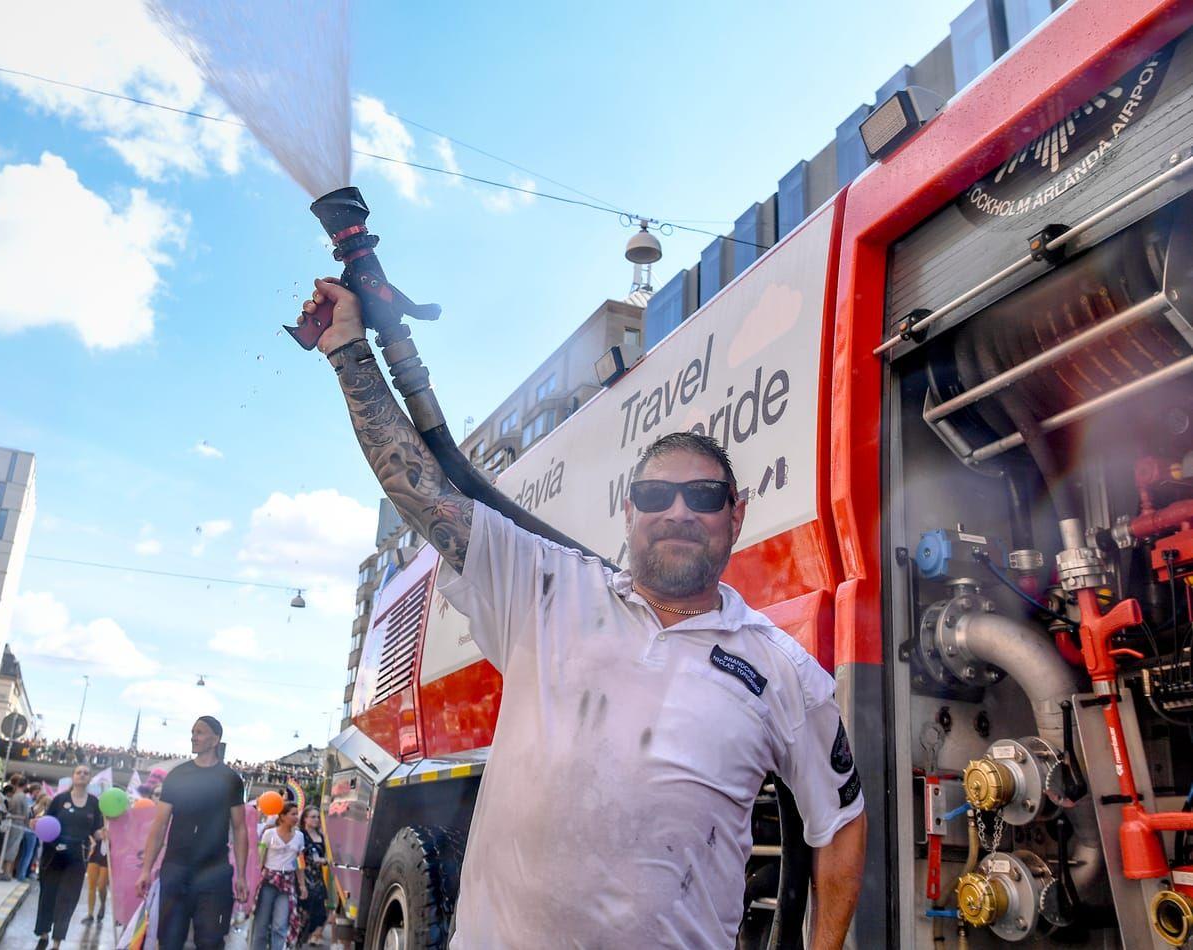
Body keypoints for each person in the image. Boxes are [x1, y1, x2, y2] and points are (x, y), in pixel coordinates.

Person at [302, 279, 868, 948]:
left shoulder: (785, 673)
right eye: (656, 494)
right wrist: (348, 350)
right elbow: (419, 488)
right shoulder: (545, 588)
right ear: (628, 513)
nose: (679, 511)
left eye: (704, 495)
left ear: (735, 514)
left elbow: (842, 825)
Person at [136, 717, 248, 950]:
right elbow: (159, 825)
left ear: (215, 739)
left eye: (200, 732)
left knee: (211, 941)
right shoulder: (178, 775)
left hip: (215, 873)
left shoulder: (230, 779)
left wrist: (241, 875)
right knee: (169, 940)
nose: (193, 737)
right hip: (176, 869)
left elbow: (239, 828)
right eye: (192, 732)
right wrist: (146, 869)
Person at [32, 764, 102, 950]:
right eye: (79, 772)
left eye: (86, 773)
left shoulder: (94, 803)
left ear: (90, 779)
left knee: (68, 898)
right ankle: (44, 933)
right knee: (49, 894)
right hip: (53, 854)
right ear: (73, 776)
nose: (82, 775)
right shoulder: (60, 799)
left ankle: (57, 941)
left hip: (77, 856)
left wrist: (106, 833)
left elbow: (97, 831)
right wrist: (35, 824)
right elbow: (46, 823)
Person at [251, 801, 305, 950]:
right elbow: (260, 859)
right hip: (269, 880)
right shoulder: (269, 833)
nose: (296, 817)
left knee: (280, 925)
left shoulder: (299, 836)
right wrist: (254, 882)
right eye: (293, 814)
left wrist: (302, 885)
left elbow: (300, 863)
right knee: (261, 925)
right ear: (282, 816)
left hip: (288, 882)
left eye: (297, 814)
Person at [295, 806, 328, 946]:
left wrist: (324, 860)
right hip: (304, 876)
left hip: (318, 878)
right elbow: (297, 855)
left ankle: (306, 937)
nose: (316, 820)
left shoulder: (321, 836)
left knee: (319, 912)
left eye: (317, 817)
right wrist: (309, 860)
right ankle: (296, 940)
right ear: (305, 819)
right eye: (313, 817)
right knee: (303, 911)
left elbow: (325, 855)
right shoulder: (300, 834)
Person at [0, 774, 31, 879]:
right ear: (25, 785)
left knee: (8, 846)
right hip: (18, 824)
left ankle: (4, 870)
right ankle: (7, 871)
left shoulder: (14, 795)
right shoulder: (22, 797)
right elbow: (26, 814)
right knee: (13, 847)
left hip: (12, 823)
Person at [81, 826, 109, 924]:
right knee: (91, 886)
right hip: (96, 853)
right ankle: (90, 914)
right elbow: (91, 830)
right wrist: (96, 834)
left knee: (101, 886)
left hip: (108, 856)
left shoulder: (118, 819)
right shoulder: (98, 815)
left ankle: (102, 904)